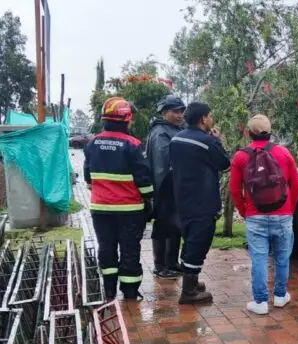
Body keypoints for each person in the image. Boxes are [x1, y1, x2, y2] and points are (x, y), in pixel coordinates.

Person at [230, 114, 298, 315]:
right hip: (283, 215)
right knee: (282, 258)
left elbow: (235, 190)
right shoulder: (284, 153)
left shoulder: (240, 157)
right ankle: (280, 296)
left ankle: (260, 302)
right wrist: (291, 209)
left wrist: (245, 212)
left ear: (248, 133)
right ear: (270, 132)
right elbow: (295, 184)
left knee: (259, 259)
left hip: (255, 216)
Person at [84, 97, 153, 301]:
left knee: (106, 247)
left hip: (100, 208)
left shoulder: (92, 143)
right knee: (129, 249)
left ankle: (110, 290)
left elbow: (88, 177)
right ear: (127, 119)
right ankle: (130, 291)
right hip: (129, 209)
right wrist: (149, 199)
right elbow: (144, 179)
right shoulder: (132, 145)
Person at [169, 102, 231, 304]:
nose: (211, 118)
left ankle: (192, 282)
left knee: (190, 239)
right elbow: (225, 163)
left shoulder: (176, 139)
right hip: (203, 201)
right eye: (210, 115)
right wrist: (217, 139)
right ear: (204, 118)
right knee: (199, 243)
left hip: (182, 199)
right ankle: (188, 292)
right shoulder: (207, 142)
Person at [144, 95, 186, 280]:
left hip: (177, 187)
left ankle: (172, 262)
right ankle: (159, 265)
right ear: (164, 112)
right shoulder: (161, 132)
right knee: (162, 226)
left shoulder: (174, 129)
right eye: (175, 111)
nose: (180, 115)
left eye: (181, 111)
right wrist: (163, 191)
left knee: (176, 225)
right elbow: (162, 165)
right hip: (165, 187)